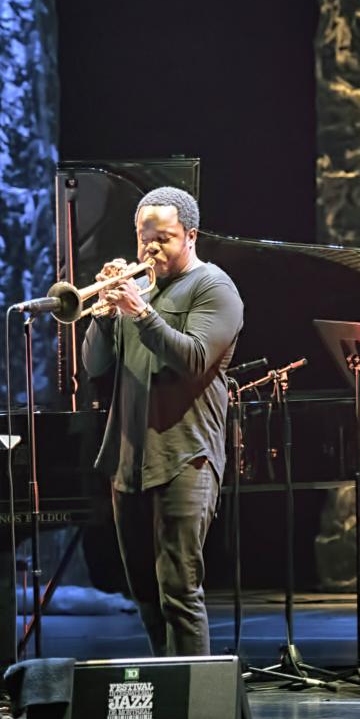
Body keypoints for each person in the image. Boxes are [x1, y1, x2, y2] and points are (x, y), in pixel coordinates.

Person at [81, 187, 243, 656]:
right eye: (143, 238)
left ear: (190, 236)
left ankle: (194, 709)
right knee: (145, 595)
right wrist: (107, 315)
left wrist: (143, 312)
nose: (150, 250)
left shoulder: (214, 287)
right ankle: (166, 685)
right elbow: (94, 366)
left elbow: (193, 359)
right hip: (129, 459)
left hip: (185, 456)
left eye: (164, 239)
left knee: (179, 591)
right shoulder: (139, 290)